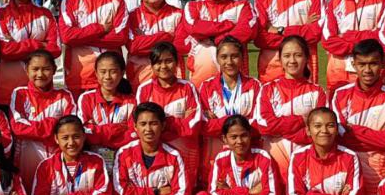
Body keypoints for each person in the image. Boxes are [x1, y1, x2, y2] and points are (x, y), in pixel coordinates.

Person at [96, 102, 211, 195]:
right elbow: (122, 194)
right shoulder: (124, 153)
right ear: (135, 127)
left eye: (153, 123)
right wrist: (156, 192)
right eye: (143, 124)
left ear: (162, 126)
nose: (148, 129)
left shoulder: (174, 155)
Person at [330, 40, 385, 195]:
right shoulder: (340, 95)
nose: (367, 70)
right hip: (347, 173)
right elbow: (338, 138)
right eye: (362, 64)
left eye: (373, 63)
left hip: (382, 173)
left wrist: (353, 129)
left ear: (382, 64)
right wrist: (379, 134)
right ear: (353, 65)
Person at [193, 114, 283, 195]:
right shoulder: (221, 159)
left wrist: (230, 192)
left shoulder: (263, 157)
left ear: (250, 135)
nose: (239, 141)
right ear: (225, 139)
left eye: (243, 135)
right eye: (233, 137)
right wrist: (248, 192)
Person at [254, 35, 327, 184]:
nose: (292, 61)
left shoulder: (318, 92)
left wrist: (281, 130)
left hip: (307, 164)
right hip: (274, 162)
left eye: (298, 55)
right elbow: (263, 125)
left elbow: (320, 132)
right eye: (287, 56)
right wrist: (301, 120)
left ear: (307, 58)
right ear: (280, 60)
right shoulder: (267, 89)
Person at [59, 0, 129, 93]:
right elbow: (67, 36)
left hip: (110, 79)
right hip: (78, 77)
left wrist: (81, 36)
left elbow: (120, 37)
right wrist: (102, 29)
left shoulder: (117, 1)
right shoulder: (69, 1)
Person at [178, 0, 257, 86]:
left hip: (236, 86)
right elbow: (193, 27)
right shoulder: (192, 6)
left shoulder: (243, 6)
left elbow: (248, 30)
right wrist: (228, 26)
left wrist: (215, 38)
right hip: (200, 84)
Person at [135, 41, 204, 185]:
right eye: (158, 62)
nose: (164, 66)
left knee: (186, 192)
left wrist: (159, 126)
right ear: (152, 65)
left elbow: (194, 126)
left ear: (177, 62)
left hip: (185, 151)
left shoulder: (188, 87)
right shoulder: (144, 90)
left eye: (168, 61)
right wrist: (180, 122)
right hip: (158, 154)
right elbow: (142, 127)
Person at [0, 0, 61, 102]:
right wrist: (40, 45)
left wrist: (17, 45)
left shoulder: (45, 14)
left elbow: (55, 49)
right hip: (8, 89)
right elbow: (5, 50)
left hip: (41, 90)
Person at [9, 50, 76, 188]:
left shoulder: (65, 96)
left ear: (54, 70)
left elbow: (69, 130)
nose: (40, 74)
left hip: (56, 159)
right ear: (26, 70)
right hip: (26, 160)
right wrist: (53, 124)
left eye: (46, 69)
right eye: (35, 69)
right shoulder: (19, 93)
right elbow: (18, 128)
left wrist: (34, 130)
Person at [197, 36, 263, 169]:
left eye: (234, 56)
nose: (229, 62)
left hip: (246, 151)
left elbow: (258, 124)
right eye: (224, 57)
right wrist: (241, 121)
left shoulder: (254, 85)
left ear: (242, 58)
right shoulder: (206, 87)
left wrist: (220, 122)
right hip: (215, 152)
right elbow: (203, 126)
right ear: (217, 59)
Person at [76, 51, 137, 171]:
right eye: (103, 72)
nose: (107, 77)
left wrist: (98, 130)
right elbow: (84, 132)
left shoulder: (132, 100)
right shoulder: (86, 98)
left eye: (113, 71)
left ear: (122, 73)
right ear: (96, 74)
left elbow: (133, 133)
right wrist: (117, 128)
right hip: (93, 159)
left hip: (125, 158)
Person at [127, 0, 183, 85]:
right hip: (139, 81)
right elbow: (133, 47)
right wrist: (166, 36)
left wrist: (144, 41)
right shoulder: (131, 17)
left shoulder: (179, 15)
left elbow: (180, 47)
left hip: (172, 83)